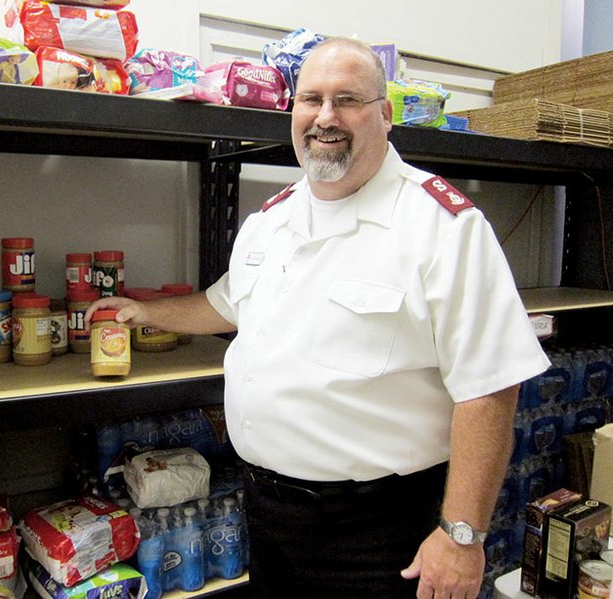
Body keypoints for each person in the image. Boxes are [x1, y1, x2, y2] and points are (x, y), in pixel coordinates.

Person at [85, 37, 550, 597]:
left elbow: (490, 389)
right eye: (311, 99)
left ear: (384, 114)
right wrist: (143, 312)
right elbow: (226, 304)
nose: (325, 117)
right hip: (266, 513)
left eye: (347, 99)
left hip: (377, 531)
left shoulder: (442, 226)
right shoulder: (271, 220)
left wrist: (461, 536)